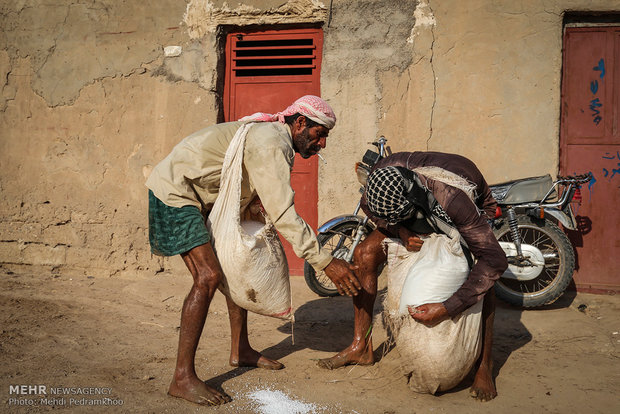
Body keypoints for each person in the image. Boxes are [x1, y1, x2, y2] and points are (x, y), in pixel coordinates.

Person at [146, 95, 360, 406]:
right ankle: (182, 377)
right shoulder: (272, 142)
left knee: (240, 261)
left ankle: (241, 350)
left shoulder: (274, 137)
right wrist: (325, 262)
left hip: (204, 195)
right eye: (319, 134)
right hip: (177, 191)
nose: (322, 144)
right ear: (300, 123)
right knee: (207, 277)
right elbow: (284, 213)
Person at [317, 151, 508, 401]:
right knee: (365, 253)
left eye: (402, 215)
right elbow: (370, 208)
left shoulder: (453, 200)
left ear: (414, 202)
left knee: (482, 273)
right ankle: (360, 346)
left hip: (460, 205)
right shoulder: (379, 181)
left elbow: (495, 260)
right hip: (414, 208)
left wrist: (448, 307)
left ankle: (484, 364)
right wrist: (400, 230)